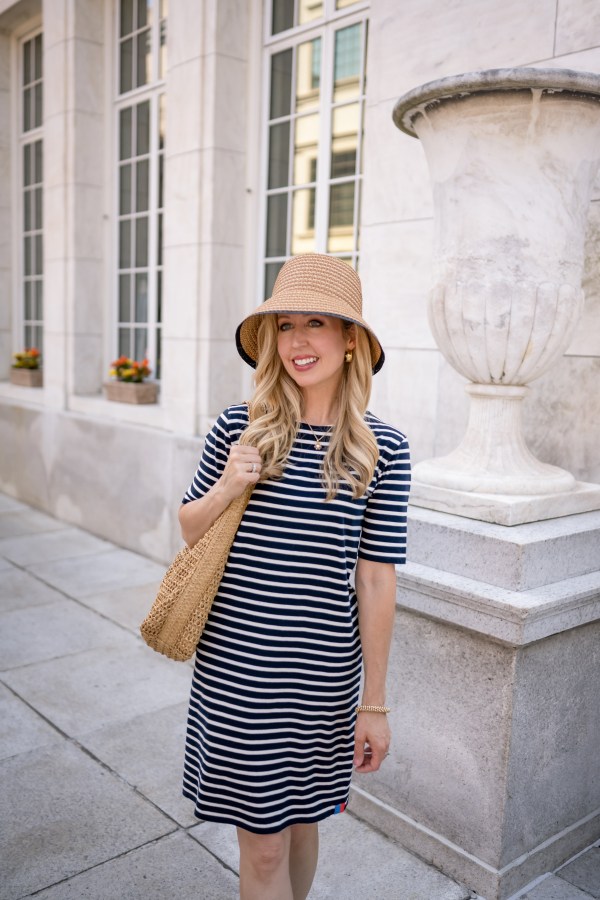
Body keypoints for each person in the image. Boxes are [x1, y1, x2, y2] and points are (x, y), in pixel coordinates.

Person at [178, 253, 411, 900]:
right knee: (263, 849)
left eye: (317, 323)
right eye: (284, 325)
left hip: (323, 679)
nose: (297, 341)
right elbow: (190, 528)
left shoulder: (382, 449)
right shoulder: (241, 427)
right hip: (240, 670)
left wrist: (376, 702)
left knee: (304, 824)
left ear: (351, 340)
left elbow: (376, 580)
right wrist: (230, 484)